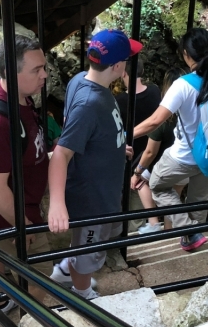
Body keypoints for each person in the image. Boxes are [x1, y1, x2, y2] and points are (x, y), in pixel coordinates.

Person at [48, 29, 141, 298]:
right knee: (88, 253)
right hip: (92, 201)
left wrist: (112, 147)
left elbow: (85, 133)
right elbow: (62, 153)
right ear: (118, 65)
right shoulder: (90, 102)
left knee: (90, 244)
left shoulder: (80, 81)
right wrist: (57, 204)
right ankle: (82, 293)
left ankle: (66, 270)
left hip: (102, 190)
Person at [132, 27, 208, 252]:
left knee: (157, 185)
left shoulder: (182, 85)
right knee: (199, 198)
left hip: (184, 156)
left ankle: (188, 231)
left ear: (185, 54)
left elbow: (155, 121)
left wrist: (126, 135)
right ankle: (192, 238)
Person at [0, 35, 51, 322]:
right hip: (8, 212)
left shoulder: (17, 96)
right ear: (11, 74)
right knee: (40, 270)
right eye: (36, 70)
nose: (45, 75)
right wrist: (24, 228)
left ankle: (2, 301)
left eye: (44, 67)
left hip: (13, 206)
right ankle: (33, 320)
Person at [130, 69, 184, 233]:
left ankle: (154, 224)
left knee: (140, 182)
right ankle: (169, 232)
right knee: (173, 198)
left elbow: (150, 153)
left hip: (168, 165)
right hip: (186, 166)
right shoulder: (187, 116)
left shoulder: (163, 121)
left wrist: (137, 173)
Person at [115, 61, 163, 235]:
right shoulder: (155, 91)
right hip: (156, 147)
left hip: (132, 153)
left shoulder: (120, 100)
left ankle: (148, 225)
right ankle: (153, 223)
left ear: (123, 73)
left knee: (137, 185)